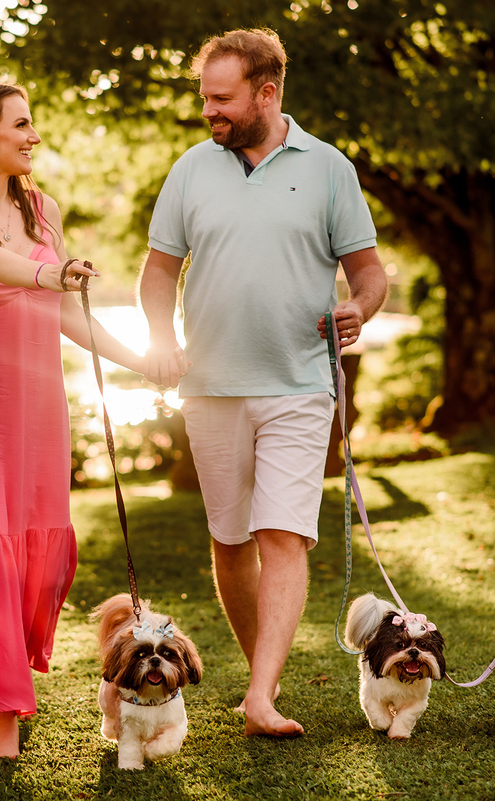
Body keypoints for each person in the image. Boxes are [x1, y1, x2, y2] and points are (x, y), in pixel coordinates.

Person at [139, 29, 388, 737]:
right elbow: (157, 272)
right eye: (204, 99)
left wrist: (357, 307)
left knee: (283, 534)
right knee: (230, 540)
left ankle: (260, 696)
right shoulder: (190, 169)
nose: (209, 113)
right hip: (210, 387)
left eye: (222, 99)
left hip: (300, 386)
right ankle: (261, 678)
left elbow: (369, 272)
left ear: (266, 93)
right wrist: (161, 337)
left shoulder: (330, 168)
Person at [0, 82, 150, 759]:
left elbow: (67, 314)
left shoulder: (43, 210)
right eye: (20, 125)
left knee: (31, 559)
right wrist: (52, 277)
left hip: (34, 404)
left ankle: (10, 676)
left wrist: (144, 360)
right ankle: (5, 720)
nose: (33, 136)